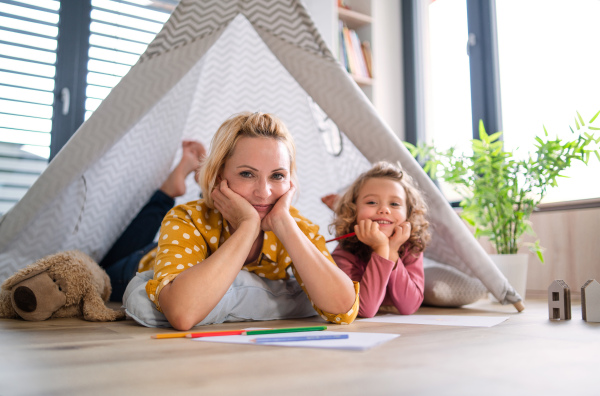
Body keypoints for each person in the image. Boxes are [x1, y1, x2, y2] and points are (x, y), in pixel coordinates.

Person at [125, 112, 359, 330]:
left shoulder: (295, 226)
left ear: (290, 181)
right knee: (109, 260)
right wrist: (248, 227)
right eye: (247, 174)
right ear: (219, 175)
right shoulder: (186, 218)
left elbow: (343, 310)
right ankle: (169, 189)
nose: (264, 192)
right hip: (139, 261)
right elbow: (182, 313)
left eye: (277, 176)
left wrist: (285, 226)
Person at [100, 140, 206, 302]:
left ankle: (167, 193)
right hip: (156, 256)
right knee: (101, 275)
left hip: (151, 260)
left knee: (100, 274)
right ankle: (173, 191)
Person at [328, 162, 431, 318]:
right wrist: (382, 249)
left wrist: (393, 252)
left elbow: (409, 307)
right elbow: (363, 309)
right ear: (353, 209)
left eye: (395, 204)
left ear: (409, 213)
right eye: (371, 202)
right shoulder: (345, 251)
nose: (384, 209)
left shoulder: (411, 247)